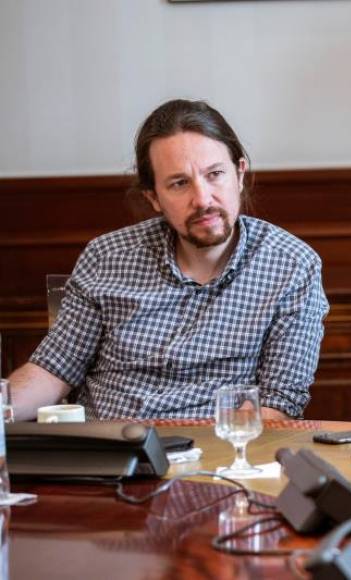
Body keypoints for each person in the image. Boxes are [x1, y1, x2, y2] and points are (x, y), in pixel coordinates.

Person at [8, 99, 329, 421]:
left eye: (215, 174)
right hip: (109, 450)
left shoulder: (292, 265)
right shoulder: (106, 256)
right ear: (153, 197)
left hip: (214, 455)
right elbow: (53, 370)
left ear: (240, 173)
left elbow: (279, 402)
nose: (203, 199)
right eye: (179, 183)